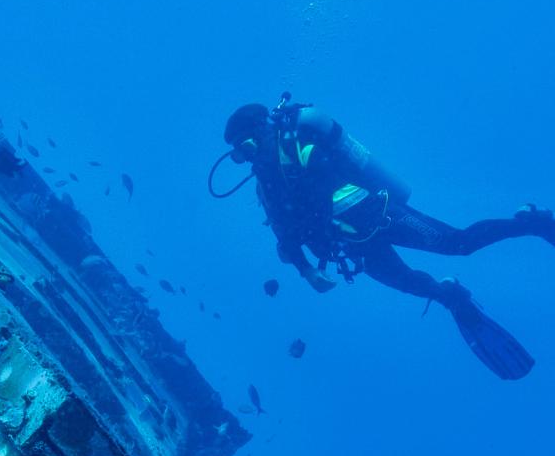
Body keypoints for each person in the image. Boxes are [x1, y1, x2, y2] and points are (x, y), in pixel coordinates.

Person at [211, 93, 555, 379]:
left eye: (246, 144)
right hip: (352, 246)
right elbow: (284, 238)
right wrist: (306, 270)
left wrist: (312, 223)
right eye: (239, 153)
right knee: (408, 282)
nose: (247, 157)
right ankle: (450, 295)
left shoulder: (295, 146)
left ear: (263, 129)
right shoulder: (267, 188)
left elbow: (323, 175)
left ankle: (532, 221)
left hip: (380, 215)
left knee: (457, 243)